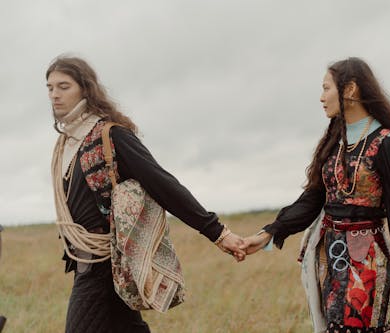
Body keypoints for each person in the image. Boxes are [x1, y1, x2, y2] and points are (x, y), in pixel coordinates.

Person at [46, 55, 246, 333]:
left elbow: (163, 184)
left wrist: (217, 232)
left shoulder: (111, 136)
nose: (54, 95)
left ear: (85, 88)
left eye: (63, 86)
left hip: (105, 262)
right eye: (50, 87)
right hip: (84, 262)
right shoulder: (66, 143)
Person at [242, 57, 390, 333]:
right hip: (330, 255)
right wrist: (270, 232)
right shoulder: (334, 140)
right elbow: (314, 199)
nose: (321, 97)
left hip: (367, 259)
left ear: (349, 90)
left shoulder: (386, 144)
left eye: (326, 88)